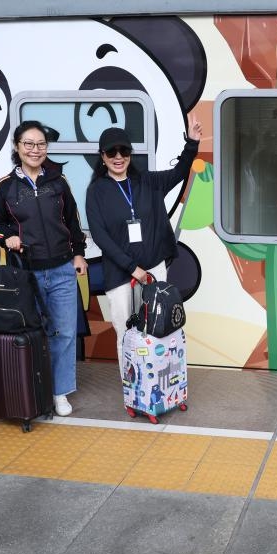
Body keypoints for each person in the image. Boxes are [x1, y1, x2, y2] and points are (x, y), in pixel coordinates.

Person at [85, 120, 202, 372]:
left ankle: (156, 381)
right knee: (125, 332)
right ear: (102, 156)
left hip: (154, 268)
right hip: (120, 273)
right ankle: (132, 387)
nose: (118, 157)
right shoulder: (96, 191)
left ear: (130, 154)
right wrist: (132, 268)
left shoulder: (148, 182)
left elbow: (180, 172)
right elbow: (100, 236)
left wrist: (191, 143)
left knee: (158, 326)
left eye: (124, 151)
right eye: (111, 152)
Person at [0, 120, 87, 417]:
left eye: (40, 144)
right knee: (32, 331)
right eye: (29, 144)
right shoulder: (6, 186)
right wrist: (9, 237)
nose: (35, 149)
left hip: (61, 270)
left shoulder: (58, 181)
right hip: (26, 274)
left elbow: (73, 222)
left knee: (65, 332)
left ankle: (59, 392)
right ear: (17, 147)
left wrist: (79, 255)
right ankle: (34, 388)